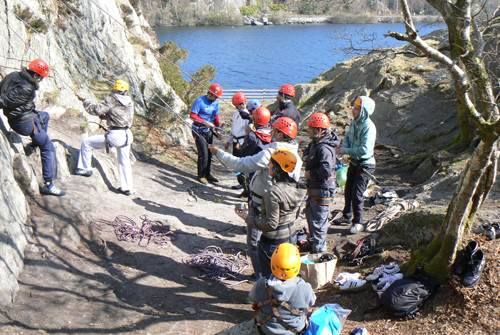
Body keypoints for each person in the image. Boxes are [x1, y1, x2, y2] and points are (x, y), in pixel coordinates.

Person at [209, 116, 302, 278]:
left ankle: (262, 276)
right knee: (283, 243)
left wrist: (219, 153)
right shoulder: (296, 155)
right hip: (286, 206)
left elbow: (240, 164)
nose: (271, 132)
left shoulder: (271, 154)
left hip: (262, 204)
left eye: (274, 131)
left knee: (255, 242)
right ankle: (280, 273)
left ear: (280, 134)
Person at [0, 58, 65, 196]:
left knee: (45, 115)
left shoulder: (14, 75)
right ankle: (49, 184)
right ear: (35, 75)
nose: (41, 80)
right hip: (23, 123)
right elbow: (5, 101)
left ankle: (33, 145)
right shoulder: (27, 88)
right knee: (48, 147)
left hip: (23, 116)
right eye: (41, 77)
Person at [75, 79, 135, 195]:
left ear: (115, 89)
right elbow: (119, 115)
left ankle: (84, 168)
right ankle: (127, 188)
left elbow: (95, 110)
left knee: (87, 143)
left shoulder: (112, 99)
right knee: (124, 161)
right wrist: (108, 116)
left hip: (116, 135)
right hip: (127, 135)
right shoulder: (129, 102)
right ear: (125, 91)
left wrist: (85, 100)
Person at [254, 149, 304, 277]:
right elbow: (296, 214)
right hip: (290, 237)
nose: (268, 165)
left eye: (271, 163)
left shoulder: (273, 192)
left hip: (273, 243)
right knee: (286, 276)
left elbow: (271, 224)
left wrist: (250, 219)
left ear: (277, 168)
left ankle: (269, 295)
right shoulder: (297, 186)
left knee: (269, 278)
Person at [250, 242, 316, 335]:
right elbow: (311, 302)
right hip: (294, 331)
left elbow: (253, 299)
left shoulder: (261, 283)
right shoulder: (304, 287)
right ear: (297, 266)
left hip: (266, 330)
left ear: (273, 263)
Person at [335, 96, 376, 234]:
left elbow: (365, 150)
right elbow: (347, 137)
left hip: (365, 165)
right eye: (354, 106)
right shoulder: (355, 123)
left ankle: (358, 222)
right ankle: (346, 216)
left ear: (364, 111)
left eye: (357, 108)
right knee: (348, 190)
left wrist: (345, 150)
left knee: (357, 194)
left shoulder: (369, 127)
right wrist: (344, 148)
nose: (354, 109)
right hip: (354, 161)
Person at [303, 112, 339, 253]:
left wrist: (310, 173)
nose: (308, 131)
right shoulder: (317, 142)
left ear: (319, 130)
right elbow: (310, 153)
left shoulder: (324, 148)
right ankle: (315, 246)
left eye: (310, 129)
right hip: (316, 188)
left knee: (318, 222)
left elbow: (326, 170)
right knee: (312, 217)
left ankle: (319, 253)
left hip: (322, 189)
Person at [190, 83, 223, 185]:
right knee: (203, 154)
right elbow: (192, 115)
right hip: (198, 130)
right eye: (215, 96)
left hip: (208, 130)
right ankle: (201, 175)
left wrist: (218, 127)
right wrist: (205, 122)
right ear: (209, 93)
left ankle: (208, 174)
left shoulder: (215, 103)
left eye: (217, 97)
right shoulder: (200, 101)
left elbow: (215, 116)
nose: (216, 98)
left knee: (209, 153)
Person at [238, 106, 272, 197]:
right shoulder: (273, 133)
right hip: (269, 168)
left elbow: (245, 153)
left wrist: (247, 134)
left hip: (254, 166)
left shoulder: (253, 136)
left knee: (252, 190)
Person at [226, 92, 250, 189]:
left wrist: (241, 144)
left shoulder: (247, 116)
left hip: (242, 142)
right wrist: (229, 141)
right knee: (235, 164)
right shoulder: (235, 113)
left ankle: (245, 185)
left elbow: (248, 132)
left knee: (241, 164)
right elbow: (233, 129)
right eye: (237, 105)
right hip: (235, 141)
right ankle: (241, 182)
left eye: (241, 104)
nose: (240, 106)